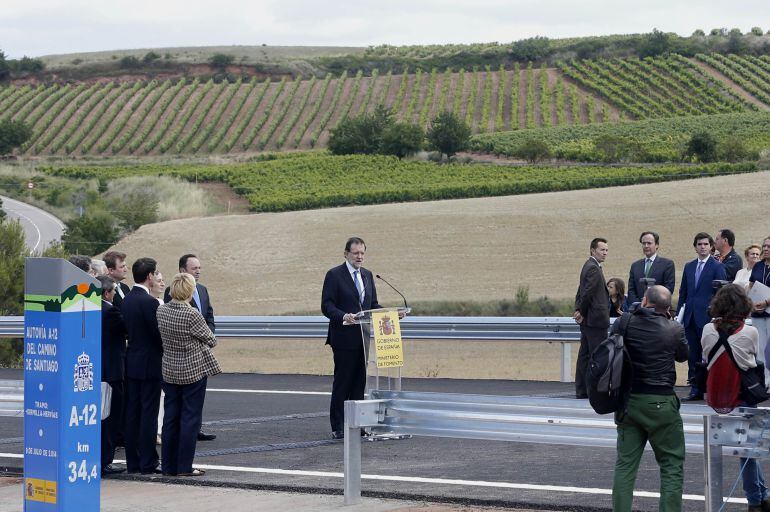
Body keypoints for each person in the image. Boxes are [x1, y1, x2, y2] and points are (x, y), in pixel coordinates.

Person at [611, 285, 688, 512]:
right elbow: (683, 356)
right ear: (667, 308)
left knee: (625, 465)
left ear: (644, 301)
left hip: (630, 401)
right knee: (671, 465)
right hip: (662, 402)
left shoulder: (624, 322)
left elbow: (612, 345)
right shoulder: (674, 328)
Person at [701, 284, 770, 512]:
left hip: (717, 394)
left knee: (747, 450)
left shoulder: (707, 330)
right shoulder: (750, 331)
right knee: (748, 451)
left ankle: (762, 494)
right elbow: (752, 359)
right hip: (742, 394)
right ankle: (755, 500)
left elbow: (704, 357)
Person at [156, 273, 221, 477]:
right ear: (189, 291)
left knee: (171, 418)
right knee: (190, 418)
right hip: (192, 370)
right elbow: (211, 339)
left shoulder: (161, 310)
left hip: (170, 369)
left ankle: (168, 465)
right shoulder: (192, 313)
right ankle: (184, 466)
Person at [322, 237, 382, 439]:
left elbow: (372, 305)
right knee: (343, 382)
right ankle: (338, 426)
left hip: (363, 339)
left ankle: (357, 425)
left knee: (359, 383)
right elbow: (327, 305)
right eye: (356, 253)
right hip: (343, 338)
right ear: (346, 254)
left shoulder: (367, 275)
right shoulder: (334, 275)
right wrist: (343, 316)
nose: (360, 257)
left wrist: (391, 314)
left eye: (362, 253)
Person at [164, 254, 216, 441]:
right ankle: (185, 433)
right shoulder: (172, 291)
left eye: (199, 268)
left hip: (200, 351)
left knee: (197, 399)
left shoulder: (202, 290)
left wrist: (208, 333)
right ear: (182, 270)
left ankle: (196, 429)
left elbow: (209, 315)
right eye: (194, 268)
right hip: (182, 356)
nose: (198, 271)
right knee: (183, 401)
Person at [121, 258, 163, 474]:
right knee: (149, 414)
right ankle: (148, 461)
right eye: (155, 274)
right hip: (150, 364)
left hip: (132, 361)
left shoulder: (127, 299)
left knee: (133, 413)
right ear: (149, 276)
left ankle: (133, 461)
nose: (156, 278)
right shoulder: (150, 303)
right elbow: (158, 335)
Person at [677, 232, 727, 401]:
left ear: (711, 246)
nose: (703, 247)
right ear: (695, 247)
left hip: (708, 317)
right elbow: (683, 292)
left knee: (711, 353)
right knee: (693, 354)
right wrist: (679, 315)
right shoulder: (689, 266)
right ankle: (695, 388)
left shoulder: (717, 267)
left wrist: (718, 315)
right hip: (690, 317)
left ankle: (713, 388)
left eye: (706, 244)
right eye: (699, 244)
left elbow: (721, 294)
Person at [97, 275, 127, 476]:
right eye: (114, 291)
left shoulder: (90, 309)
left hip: (96, 370)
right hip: (112, 372)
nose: (115, 295)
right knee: (110, 419)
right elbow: (127, 330)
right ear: (107, 293)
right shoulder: (111, 311)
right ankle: (105, 461)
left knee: (99, 418)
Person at [573, 237, 610, 399]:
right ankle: (593, 390)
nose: (605, 253)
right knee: (596, 356)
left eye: (606, 250)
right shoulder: (593, 268)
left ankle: (582, 390)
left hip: (590, 320)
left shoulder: (588, 266)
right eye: (602, 250)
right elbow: (586, 293)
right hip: (595, 320)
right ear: (592, 250)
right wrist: (581, 310)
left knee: (585, 355)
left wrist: (579, 309)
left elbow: (581, 291)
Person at [626, 231, 675, 305]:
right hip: (638, 310)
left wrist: (652, 304)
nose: (646, 246)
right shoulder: (635, 266)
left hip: (658, 309)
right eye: (643, 243)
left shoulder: (667, 264)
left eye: (649, 243)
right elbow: (631, 289)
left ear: (657, 245)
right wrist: (638, 305)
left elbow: (668, 288)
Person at [751, 237, 770, 384]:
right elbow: (751, 286)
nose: (765, 249)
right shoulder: (758, 266)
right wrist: (752, 303)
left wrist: (766, 302)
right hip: (757, 313)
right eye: (764, 246)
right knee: (760, 349)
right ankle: (764, 381)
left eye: (769, 246)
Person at [151, 272, 166, 445]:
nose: (162, 284)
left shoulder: (162, 303)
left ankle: (159, 429)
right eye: (159, 281)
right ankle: (154, 430)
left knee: (162, 395)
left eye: (163, 281)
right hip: (153, 355)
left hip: (163, 355)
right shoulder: (150, 303)